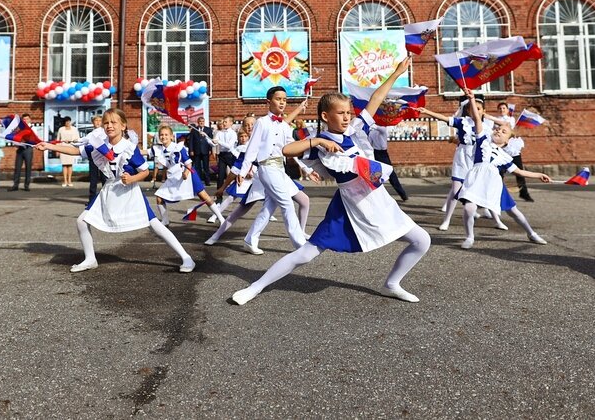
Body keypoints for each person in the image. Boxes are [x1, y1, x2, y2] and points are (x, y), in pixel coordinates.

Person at [232, 57, 432, 306]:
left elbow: (377, 99)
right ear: (326, 116)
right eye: (341, 113)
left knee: (422, 240)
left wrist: (396, 73)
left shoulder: (355, 130)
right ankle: (256, 286)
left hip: (376, 198)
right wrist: (317, 141)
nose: (347, 117)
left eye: (349, 112)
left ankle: (392, 283)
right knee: (306, 254)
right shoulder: (319, 141)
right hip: (348, 205)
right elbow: (286, 150)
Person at [35, 108, 196, 274]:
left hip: (130, 192)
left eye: (113, 122)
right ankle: (90, 259)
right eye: (106, 123)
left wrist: (132, 179)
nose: (109, 126)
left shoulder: (129, 148)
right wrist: (48, 146)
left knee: (155, 225)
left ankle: (186, 257)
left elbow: (145, 171)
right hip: (109, 189)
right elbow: (76, 151)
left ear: (123, 126)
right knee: (82, 221)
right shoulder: (98, 145)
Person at [455, 89, 551, 249]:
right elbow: (478, 119)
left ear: (507, 141)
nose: (499, 130)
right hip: (476, 179)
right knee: (469, 208)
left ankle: (531, 233)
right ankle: (470, 237)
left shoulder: (504, 156)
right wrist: (471, 99)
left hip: (494, 184)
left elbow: (519, 172)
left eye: (503, 131)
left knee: (513, 211)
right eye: (498, 129)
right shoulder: (482, 140)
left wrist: (538, 175)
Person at [234, 87, 309, 252]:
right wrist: (242, 171)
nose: (282, 102)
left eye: (284, 99)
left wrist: (307, 168)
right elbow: (252, 148)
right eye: (278, 99)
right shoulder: (262, 122)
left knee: (269, 207)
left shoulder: (284, 126)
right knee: (287, 203)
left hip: (280, 169)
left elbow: (292, 149)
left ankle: (250, 239)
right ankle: (300, 245)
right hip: (267, 168)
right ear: (269, 101)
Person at [419, 95, 494, 230]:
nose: (475, 111)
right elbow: (444, 118)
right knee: (455, 190)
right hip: (462, 156)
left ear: (483, 110)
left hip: (478, 158)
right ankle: (446, 220)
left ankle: (490, 217)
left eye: (478, 109)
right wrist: (426, 111)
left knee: (477, 189)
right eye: (472, 109)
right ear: (468, 111)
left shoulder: (488, 126)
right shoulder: (462, 121)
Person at [149, 124, 226, 226]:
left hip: (188, 175)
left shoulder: (178, 148)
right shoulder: (158, 149)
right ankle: (165, 220)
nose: (163, 137)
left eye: (166, 135)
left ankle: (221, 219)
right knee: (159, 197)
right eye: (161, 135)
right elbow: (144, 152)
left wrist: (186, 173)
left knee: (204, 196)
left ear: (172, 136)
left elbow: (188, 163)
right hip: (174, 177)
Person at [369, 124, 408, 201]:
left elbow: (380, 129)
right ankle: (374, 196)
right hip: (376, 153)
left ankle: (402, 194)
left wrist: (371, 125)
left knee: (391, 174)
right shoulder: (371, 133)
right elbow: (370, 143)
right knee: (375, 175)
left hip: (383, 154)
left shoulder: (382, 129)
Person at [9, 113, 34, 192]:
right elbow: (15, 137)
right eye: (24, 119)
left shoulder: (33, 128)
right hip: (20, 149)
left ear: (30, 120)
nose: (25, 120)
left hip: (28, 148)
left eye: (27, 119)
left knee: (28, 167)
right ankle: (15, 185)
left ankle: (26, 185)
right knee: (17, 168)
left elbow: (34, 139)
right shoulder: (19, 128)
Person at [187, 116, 213, 185]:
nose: (201, 123)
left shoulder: (208, 130)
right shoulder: (194, 130)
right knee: (197, 167)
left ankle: (207, 181)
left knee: (206, 167)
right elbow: (191, 141)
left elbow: (211, 140)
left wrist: (210, 149)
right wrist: (191, 150)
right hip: (197, 151)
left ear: (204, 122)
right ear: (198, 122)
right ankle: (199, 181)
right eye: (200, 122)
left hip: (205, 150)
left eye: (202, 121)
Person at [213, 116, 237, 188]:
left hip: (230, 155)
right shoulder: (219, 133)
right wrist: (206, 137)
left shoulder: (233, 133)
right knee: (220, 175)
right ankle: (219, 196)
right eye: (224, 122)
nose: (224, 123)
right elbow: (214, 143)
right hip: (222, 155)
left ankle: (239, 190)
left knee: (235, 173)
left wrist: (218, 141)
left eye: (226, 122)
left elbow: (229, 146)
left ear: (231, 123)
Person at [56, 116, 80, 187]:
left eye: (69, 121)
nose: (68, 123)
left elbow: (77, 138)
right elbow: (58, 139)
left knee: (70, 164)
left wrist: (73, 142)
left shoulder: (74, 129)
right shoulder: (61, 129)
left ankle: (69, 180)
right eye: (66, 121)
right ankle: (65, 181)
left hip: (71, 147)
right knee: (64, 165)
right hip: (63, 147)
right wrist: (57, 149)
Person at [87, 114, 107, 202]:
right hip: (93, 158)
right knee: (93, 179)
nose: (98, 122)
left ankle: (106, 199)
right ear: (93, 123)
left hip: (103, 158)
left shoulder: (105, 132)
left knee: (104, 178)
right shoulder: (90, 134)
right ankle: (92, 199)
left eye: (100, 120)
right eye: (96, 120)